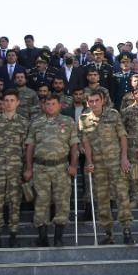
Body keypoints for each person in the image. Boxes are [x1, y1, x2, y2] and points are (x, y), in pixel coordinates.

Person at [25, 95, 80, 246]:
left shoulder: (68, 122)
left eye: (53, 104)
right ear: (43, 106)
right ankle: (42, 238)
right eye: (47, 104)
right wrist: (28, 168)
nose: (49, 106)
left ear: (59, 105)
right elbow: (30, 147)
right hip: (40, 168)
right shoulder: (36, 123)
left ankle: (58, 237)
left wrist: (73, 165)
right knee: (41, 202)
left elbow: (74, 145)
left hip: (61, 167)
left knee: (62, 202)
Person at [81, 88, 133, 245]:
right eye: (91, 101)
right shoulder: (84, 119)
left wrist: (124, 158)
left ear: (103, 100)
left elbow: (122, 137)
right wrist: (89, 161)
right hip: (98, 165)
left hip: (116, 162)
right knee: (102, 198)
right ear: (87, 102)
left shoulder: (113, 114)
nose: (94, 103)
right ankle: (108, 233)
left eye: (97, 100)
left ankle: (127, 230)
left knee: (122, 195)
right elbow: (86, 143)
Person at [0, 90, 28, 247]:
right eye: (6, 100)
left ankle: (13, 235)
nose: (9, 103)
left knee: (15, 203)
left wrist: (26, 169)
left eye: (12, 100)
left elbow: (26, 149)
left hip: (16, 170)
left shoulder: (23, 123)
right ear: (2, 103)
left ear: (18, 102)